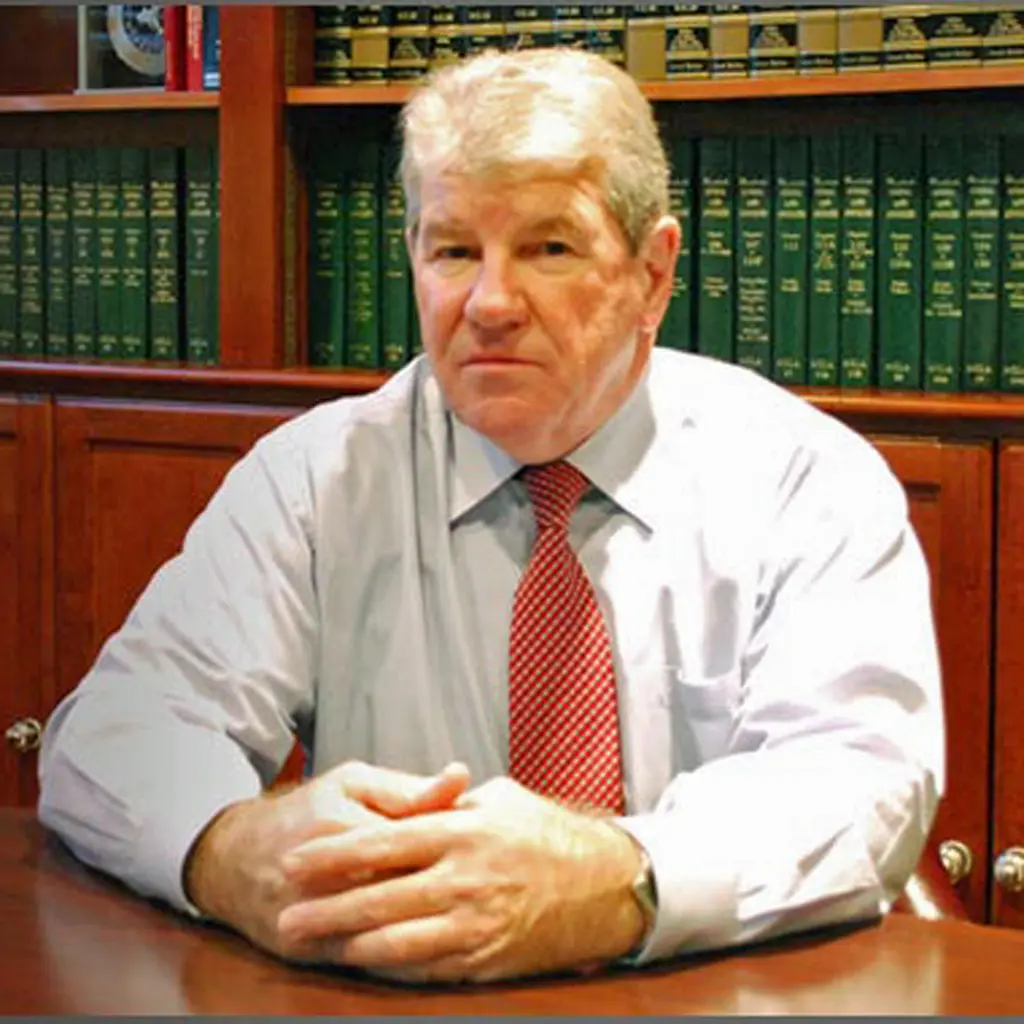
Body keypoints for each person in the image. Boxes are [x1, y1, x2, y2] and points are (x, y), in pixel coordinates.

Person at [38, 47, 944, 986]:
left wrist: (608, 882)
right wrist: (228, 851)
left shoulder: (804, 480)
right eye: (455, 250)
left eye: (549, 248)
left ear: (652, 272)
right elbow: (112, 735)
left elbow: (861, 782)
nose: (491, 304)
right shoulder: (317, 476)